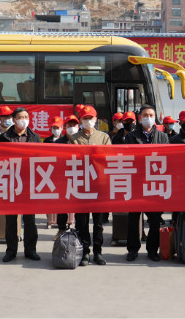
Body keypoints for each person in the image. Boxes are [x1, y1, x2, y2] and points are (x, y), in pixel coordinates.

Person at [124, 104, 169, 262]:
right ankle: (132, 249)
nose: (148, 118)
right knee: (133, 219)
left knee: (155, 220)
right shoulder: (130, 136)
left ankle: (152, 250)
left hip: (154, 184)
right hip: (136, 183)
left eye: (151, 115)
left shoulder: (163, 137)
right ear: (139, 118)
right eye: (145, 115)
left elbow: (167, 159)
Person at [0, 107, 41, 262]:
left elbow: (40, 160)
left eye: (26, 117)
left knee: (30, 220)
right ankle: (11, 251)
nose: (24, 119)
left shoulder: (35, 137)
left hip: (29, 183)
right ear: (14, 119)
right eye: (20, 117)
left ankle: (30, 250)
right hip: (11, 182)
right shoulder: (3, 138)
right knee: (11, 220)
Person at [70, 106, 111, 266]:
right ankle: (85, 251)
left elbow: (108, 159)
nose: (88, 121)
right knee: (82, 222)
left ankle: (98, 252)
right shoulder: (75, 138)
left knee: (99, 222)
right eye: (85, 118)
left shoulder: (104, 137)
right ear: (81, 120)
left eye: (90, 118)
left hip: (100, 185)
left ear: (96, 119)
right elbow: (73, 159)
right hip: (81, 186)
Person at [52, 115, 81, 237]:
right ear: (65, 127)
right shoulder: (59, 142)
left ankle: (79, 230)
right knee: (62, 205)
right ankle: (61, 229)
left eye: (74, 125)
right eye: (69, 125)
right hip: (63, 177)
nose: (72, 127)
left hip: (79, 177)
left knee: (80, 206)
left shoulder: (81, 141)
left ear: (78, 126)